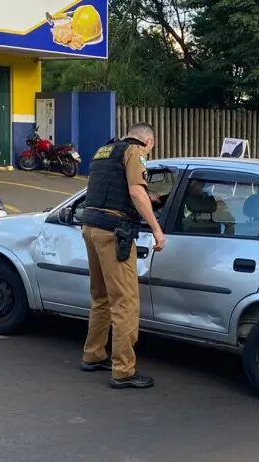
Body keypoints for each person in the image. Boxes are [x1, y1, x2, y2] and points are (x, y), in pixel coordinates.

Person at [79, 123, 165, 389]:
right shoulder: (135, 152)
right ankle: (124, 371)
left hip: (91, 228)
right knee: (125, 303)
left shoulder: (104, 151)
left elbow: (111, 189)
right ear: (148, 141)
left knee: (101, 297)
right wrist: (157, 229)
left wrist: (151, 196)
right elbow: (135, 192)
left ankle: (93, 355)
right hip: (113, 232)